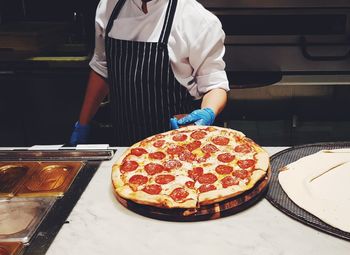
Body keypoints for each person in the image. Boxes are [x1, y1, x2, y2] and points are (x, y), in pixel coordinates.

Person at [70, 0, 229, 146]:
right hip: (123, 141)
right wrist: (83, 124)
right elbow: (102, 67)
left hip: (176, 145)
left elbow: (214, 85)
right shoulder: (109, 7)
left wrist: (207, 112)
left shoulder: (196, 20)